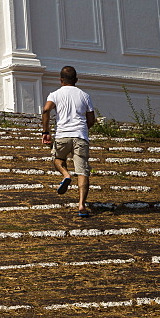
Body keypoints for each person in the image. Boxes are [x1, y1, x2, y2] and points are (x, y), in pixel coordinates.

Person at [41, 65, 95, 218]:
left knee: (58, 160)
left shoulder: (55, 94)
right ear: (76, 80)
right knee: (83, 171)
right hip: (80, 136)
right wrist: (84, 129)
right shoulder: (85, 95)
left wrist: (46, 132)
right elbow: (91, 119)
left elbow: (46, 110)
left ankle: (66, 175)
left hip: (62, 135)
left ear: (61, 80)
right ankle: (82, 205)